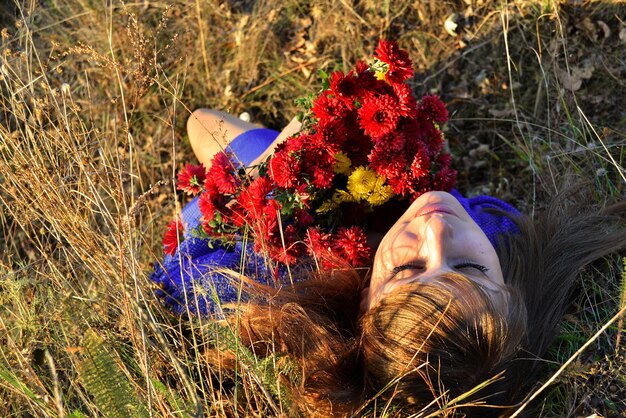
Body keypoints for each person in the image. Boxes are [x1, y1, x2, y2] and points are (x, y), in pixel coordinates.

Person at [154, 108, 626, 416]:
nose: (438, 230)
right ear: (506, 282)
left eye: (407, 271)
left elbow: (183, 265)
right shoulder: (493, 233)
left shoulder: (269, 275)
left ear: (364, 302)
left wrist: (276, 162)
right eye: (471, 269)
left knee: (214, 127)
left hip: (269, 212)